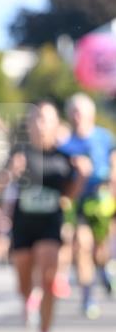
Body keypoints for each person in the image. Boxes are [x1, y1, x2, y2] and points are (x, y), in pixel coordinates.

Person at [5, 101, 89, 332]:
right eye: (37, 119)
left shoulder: (64, 159)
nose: (41, 125)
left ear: (56, 124)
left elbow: (69, 196)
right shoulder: (19, 155)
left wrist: (82, 177)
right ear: (29, 125)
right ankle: (28, 298)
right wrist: (9, 174)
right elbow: (1, 187)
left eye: (46, 119)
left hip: (50, 223)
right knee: (24, 280)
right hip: (23, 225)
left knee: (50, 276)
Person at [61, 93, 116, 318]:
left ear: (90, 114)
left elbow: (114, 163)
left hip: (102, 198)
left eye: (81, 112)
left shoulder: (104, 137)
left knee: (100, 249)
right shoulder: (66, 144)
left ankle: (104, 270)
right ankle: (88, 296)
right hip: (79, 199)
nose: (77, 116)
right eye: (74, 112)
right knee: (81, 245)